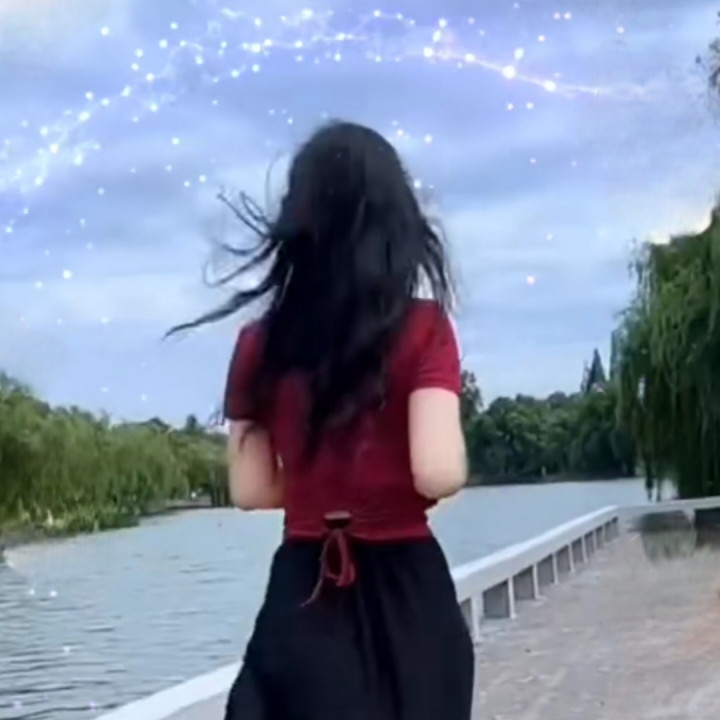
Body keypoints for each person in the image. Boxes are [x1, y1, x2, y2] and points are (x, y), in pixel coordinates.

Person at [172, 120, 474, 719]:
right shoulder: (424, 328)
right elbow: (436, 472)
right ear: (396, 222)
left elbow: (251, 490)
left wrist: (321, 494)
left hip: (303, 590)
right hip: (409, 595)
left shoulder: (258, 344)